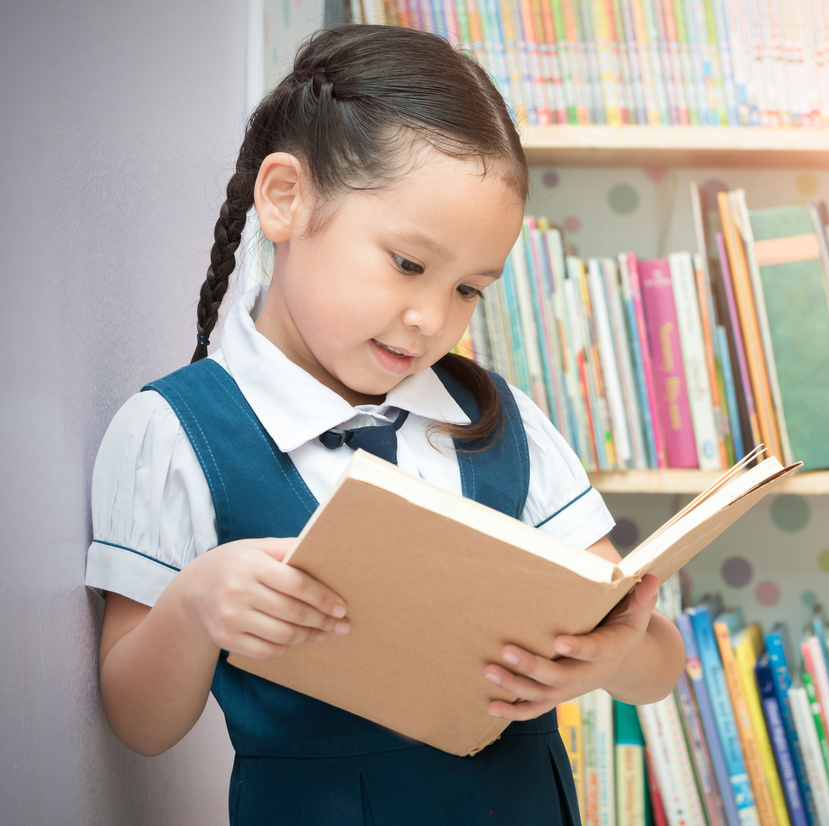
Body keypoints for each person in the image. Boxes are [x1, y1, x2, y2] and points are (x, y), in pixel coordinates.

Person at [87, 24, 685, 825]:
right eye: (408, 263)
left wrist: (613, 659)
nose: (430, 318)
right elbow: (138, 723)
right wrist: (196, 605)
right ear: (286, 199)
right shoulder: (172, 434)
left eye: (469, 289)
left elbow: (657, 664)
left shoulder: (500, 424)